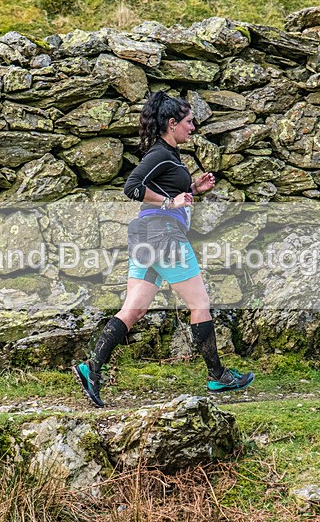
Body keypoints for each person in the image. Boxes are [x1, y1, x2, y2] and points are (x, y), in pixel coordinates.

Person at [73, 91, 254, 408]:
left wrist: (192, 188)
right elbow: (132, 187)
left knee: (134, 309)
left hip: (146, 236)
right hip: (163, 235)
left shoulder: (169, 155)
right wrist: (171, 201)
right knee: (200, 305)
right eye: (188, 121)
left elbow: (164, 189)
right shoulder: (159, 154)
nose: (193, 127)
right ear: (172, 123)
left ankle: (91, 368)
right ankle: (218, 376)